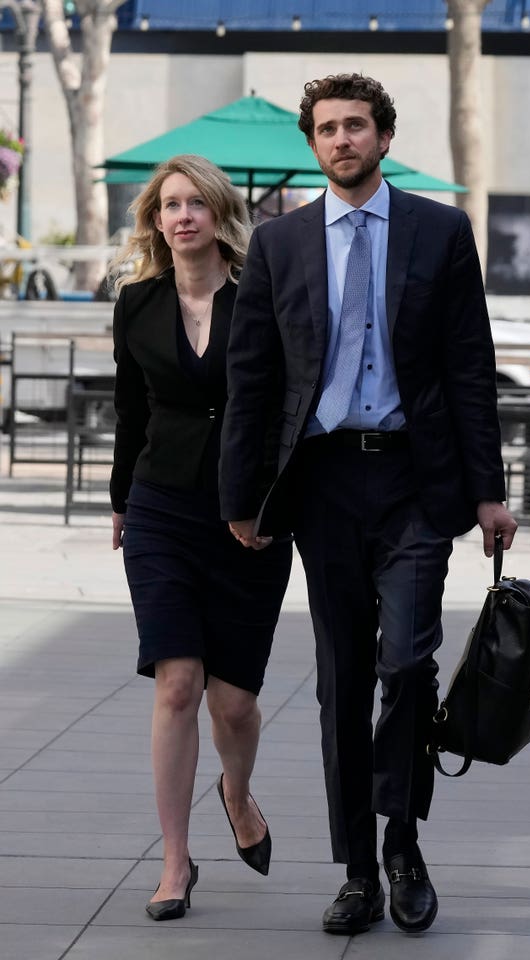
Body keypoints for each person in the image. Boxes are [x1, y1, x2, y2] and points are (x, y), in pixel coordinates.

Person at [219, 73, 517, 937]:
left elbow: (469, 364)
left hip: (417, 486)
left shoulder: (439, 231)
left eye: (356, 126)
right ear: (313, 145)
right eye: (327, 128)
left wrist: (489, 491)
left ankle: (402, 842)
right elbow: (254, 379)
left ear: (384, 138)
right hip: (321, 486)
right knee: (343, 682)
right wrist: (244, 498)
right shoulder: (280, 245)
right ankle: (356, 870)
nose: (342, 139)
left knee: (406, 665)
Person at [109, 154, 292, 921]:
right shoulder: (137, 303)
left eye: (196, 204)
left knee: (235, 705)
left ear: (219, 216)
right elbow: (131, 410)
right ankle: (175, 861)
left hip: (248, 514)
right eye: (169, 205)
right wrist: (120, 502)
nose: (183, 217)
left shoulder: (264, 298)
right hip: (162, 509)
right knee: (177, 685)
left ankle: (237, 792)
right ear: (156, 220)